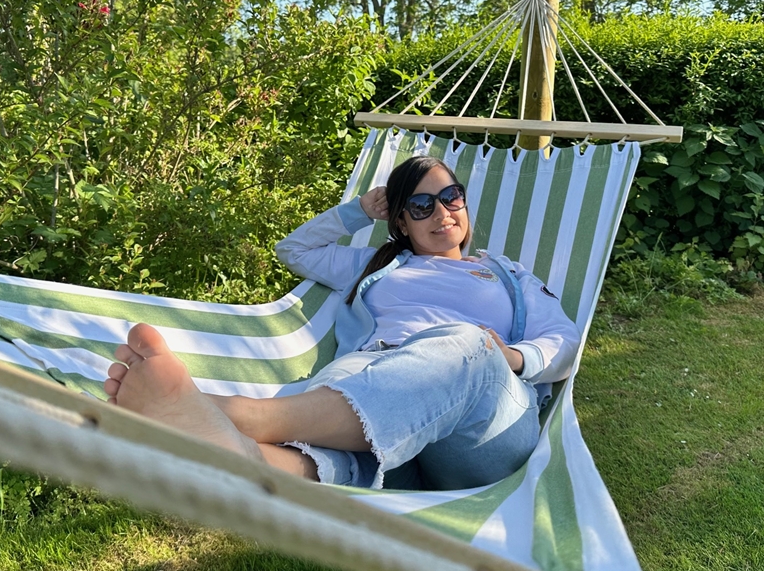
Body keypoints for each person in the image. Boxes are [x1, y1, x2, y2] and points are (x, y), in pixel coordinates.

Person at [104, 156, 580, 491]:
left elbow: (564, 340)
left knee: (464, 344)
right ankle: (245, 454)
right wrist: (359, 211)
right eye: (421, 206)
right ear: (401, 223)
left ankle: (239, 415)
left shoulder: (506, 274)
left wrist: (514, 357)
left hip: (481, 426)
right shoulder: (377, 264)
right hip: (382, 417)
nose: (441, 213)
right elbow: (293, 250)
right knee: (339, 424)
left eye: (451, 197)